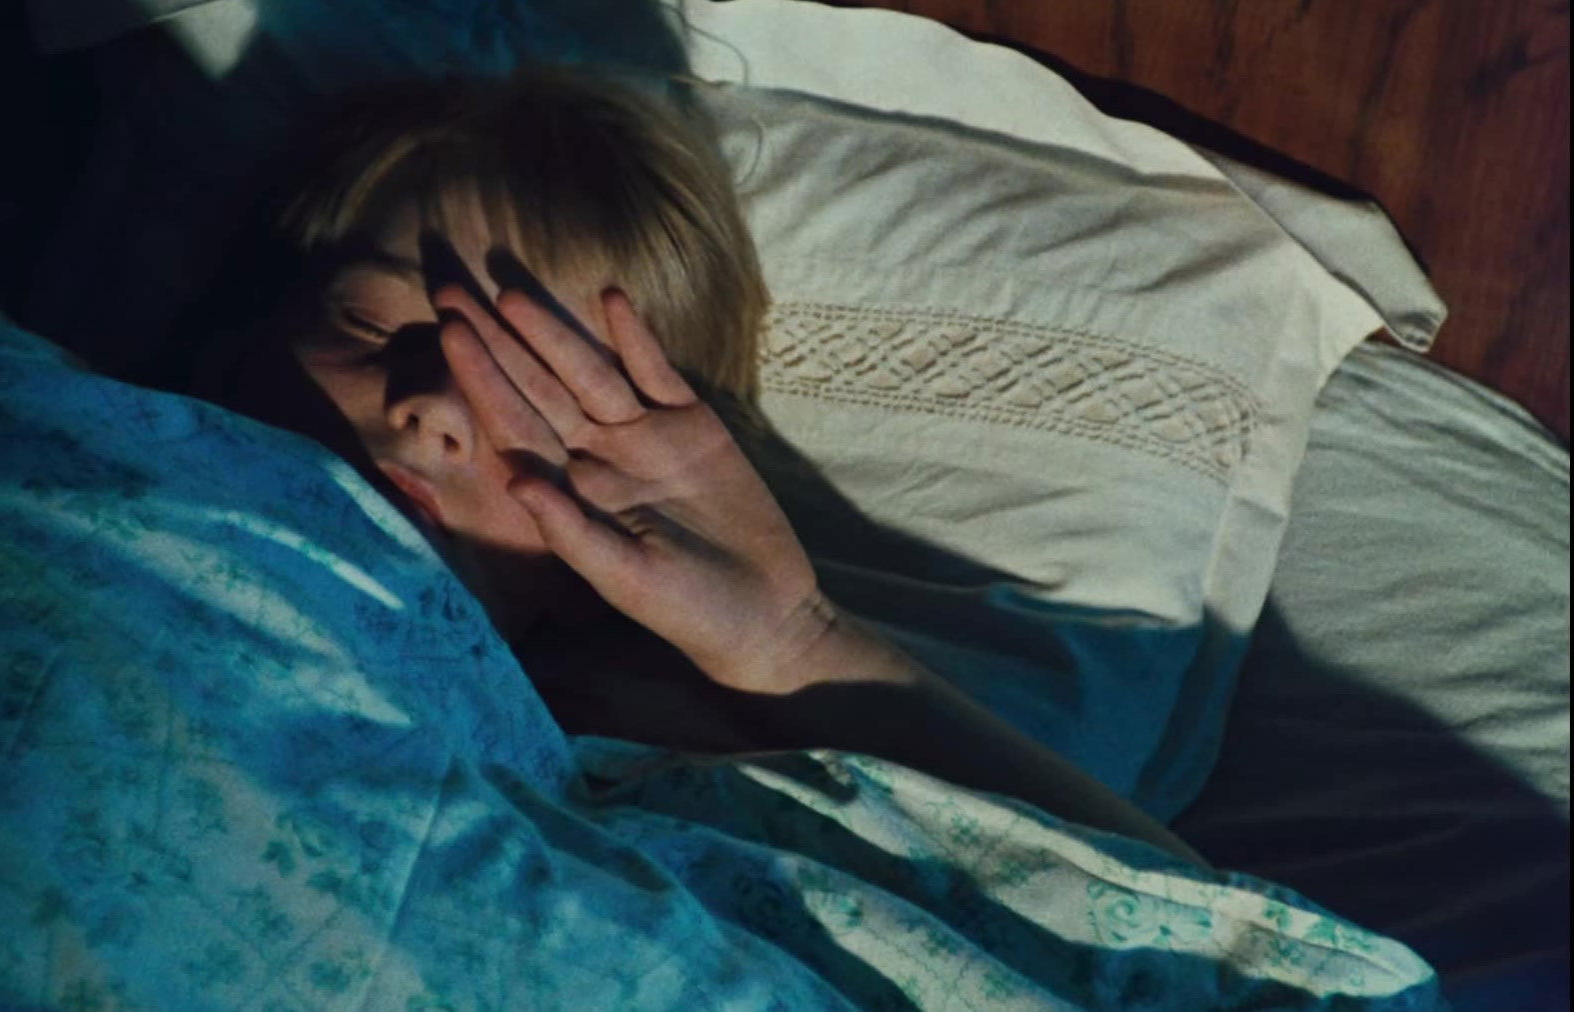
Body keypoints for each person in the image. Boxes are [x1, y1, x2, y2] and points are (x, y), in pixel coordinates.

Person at [185, 67, 1209, 866]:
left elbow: (1213, 958)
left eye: (535, 399)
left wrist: (789, 640)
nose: (438, 409)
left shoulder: (593, 768)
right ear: (244, 335)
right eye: (368, 322)